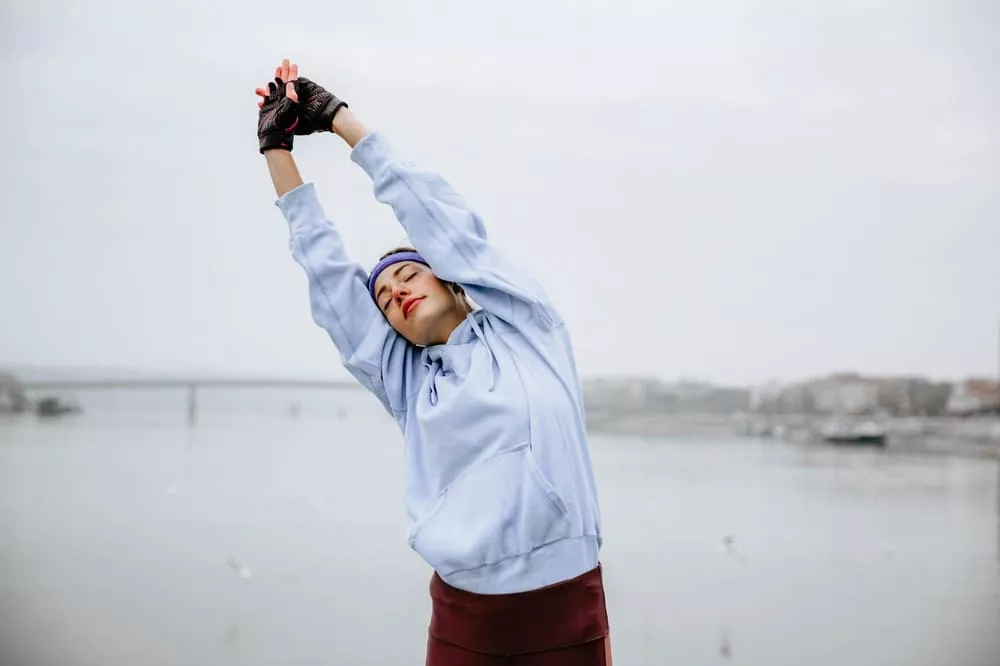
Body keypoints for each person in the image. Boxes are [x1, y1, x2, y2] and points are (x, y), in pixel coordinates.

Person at [256, 59, 611, 665]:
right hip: (462, 619)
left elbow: (446, 226)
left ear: (448, 278)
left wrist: (340, 121)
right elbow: (328, 276)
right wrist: (275, 149)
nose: (395, 292)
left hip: (564, 605)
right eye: (383, 298)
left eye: (407, 275)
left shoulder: (530, 330)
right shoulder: (409, 384)